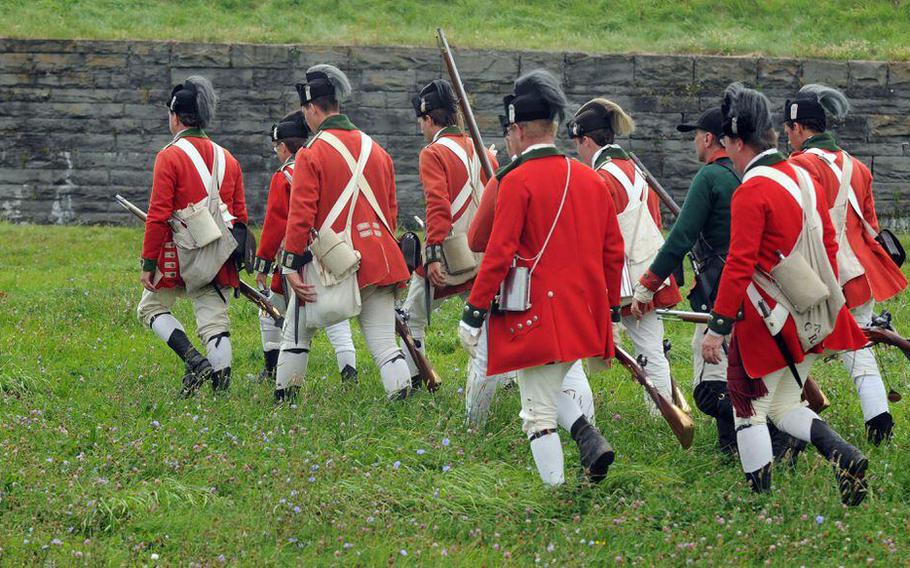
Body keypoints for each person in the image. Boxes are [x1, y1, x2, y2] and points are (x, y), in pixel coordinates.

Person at [701, 82, 869, 505]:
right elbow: (828, 242)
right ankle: (844, 455)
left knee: (748, 410)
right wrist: (822, 298)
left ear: (738, 141)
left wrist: (717, 327)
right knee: (783, 406)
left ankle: (759, 502)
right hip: (811, 309)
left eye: (728, 144)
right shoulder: (802, 175)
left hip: (769, 319)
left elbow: (738, 265)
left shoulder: (752, 190)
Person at [458, 69, 624, 486]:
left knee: (536, 414)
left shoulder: (515, 180)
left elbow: (496, 253)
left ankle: (558, 494)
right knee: (550, 388)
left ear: (516, 130)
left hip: (538, 314)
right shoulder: (591, 177)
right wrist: (613, 315)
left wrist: (473, 312)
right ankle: (587, 437)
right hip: (584, 314)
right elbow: (613, 252)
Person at [276, 64, 412, 402]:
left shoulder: (311, 153)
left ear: (311, 108)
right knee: (383, 343)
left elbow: (301, 214)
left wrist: (290, 265)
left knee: (296, 332)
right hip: (380, 258)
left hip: (333, 262)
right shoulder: (377, 150)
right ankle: (403, 401)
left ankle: (284, 401)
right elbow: (390, 212)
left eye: (304, 110)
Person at [785, 84, 907, 445]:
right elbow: (869, 224)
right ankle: (879, 421)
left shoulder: (799, 165)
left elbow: (796, 225)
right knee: (858, 347)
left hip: (820, 276)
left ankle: (788, 424)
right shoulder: (857, 166)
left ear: (799, 129)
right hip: (860, 276)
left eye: (789, 131)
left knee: (793, 347)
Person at [462, 111, 596, 432]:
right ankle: (587, 426)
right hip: (574, 289)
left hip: (520, 289)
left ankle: (473, 429)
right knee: (570, 365)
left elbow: (478, 239)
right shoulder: (579, 175)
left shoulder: (509, 177)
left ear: (517, 132)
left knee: (484, 359)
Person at [627, 107, 741, 453]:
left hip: (721, 288)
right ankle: (731, 448)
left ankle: (766, 427)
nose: (694, 141)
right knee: (732, 368)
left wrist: (646, 285)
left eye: (696, 135)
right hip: (749, 285)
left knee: (708, 387)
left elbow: (680, 238)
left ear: (708, 138)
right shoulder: (746, 173)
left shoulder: (710, 178)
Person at [567, 99, 682, 414]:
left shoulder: (600, 177)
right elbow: (655, 224)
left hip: (619, 281)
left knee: (569, 344)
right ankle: (661, 415)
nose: (577, 151)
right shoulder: (634, 170)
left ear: (586, 140)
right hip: (646, 274)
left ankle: (579, 413)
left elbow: (592, 237)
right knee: (652, 351)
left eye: (578, 144)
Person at [137, 76, 247, 396]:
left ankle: (194, 361)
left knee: (150, 309)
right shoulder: (230, 159)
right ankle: (221, 389)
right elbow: (239, 215)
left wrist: (148, 262)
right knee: (215, 320)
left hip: (179, 250)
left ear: (175, 116)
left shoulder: (169, 156)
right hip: (221, 251)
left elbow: (158, 216)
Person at [400, 79, 497, 388]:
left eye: (421, 122)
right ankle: (504, 378)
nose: (421, 129)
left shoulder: (433, 153)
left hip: (451, 251)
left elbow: (438, 206)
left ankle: (418, 379)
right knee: (492, 320)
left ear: (429, 119)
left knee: (409, 318)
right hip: (484, 252)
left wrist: (432, 254)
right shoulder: (485, 153)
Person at [252, 111, 358, 390]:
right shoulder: (325, 164)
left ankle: (272, 369)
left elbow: (275, 224)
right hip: (330, 251)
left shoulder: (283, 176)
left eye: (277, 147)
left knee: (268, 311)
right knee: (334, 314)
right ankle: (349, 371)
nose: (276, 152)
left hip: (296, 258)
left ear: (284, 147)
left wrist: (263, 264)